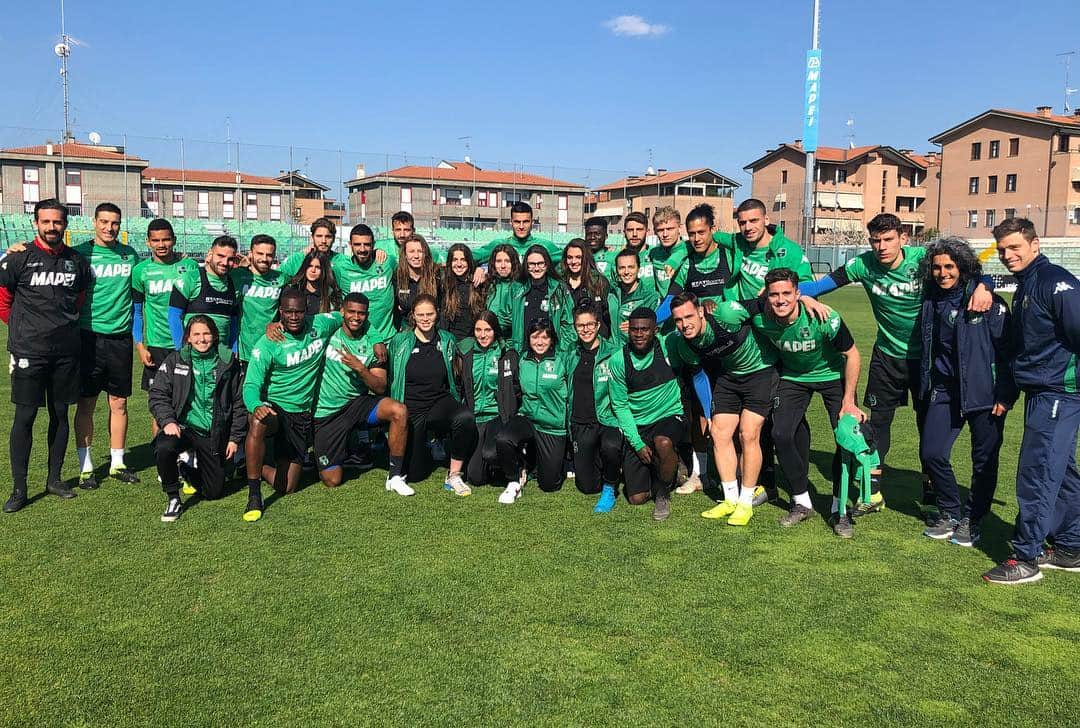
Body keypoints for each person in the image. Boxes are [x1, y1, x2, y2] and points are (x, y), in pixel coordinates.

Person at [800, 213, 993, 516]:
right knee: (878, 423)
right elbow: (823, 285)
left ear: (903, 238)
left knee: (927, 424)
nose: (881, 246)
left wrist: (986, 286)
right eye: (876, 240)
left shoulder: (923, 258)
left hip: (928, 359)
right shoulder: (862, 265)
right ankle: (873, 492)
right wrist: (797, 295)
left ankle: (932, 488)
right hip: (887, 355)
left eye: (888, 239)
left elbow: (971, 270)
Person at [983, 218, 1080, 584]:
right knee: (1062, 471)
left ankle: (1025, 558)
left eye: (1015, 247)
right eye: (1003, 249)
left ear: (1034, 244)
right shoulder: (1027, 285)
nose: (1008, 255)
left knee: (1038, 472)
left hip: (1059, 393)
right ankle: (1071, 546)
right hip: (1042, 392)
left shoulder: (1055, 282)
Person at [916, 237, 1016, 545]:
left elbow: (1009, 351)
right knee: (931, 452)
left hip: (984, 392)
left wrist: (1005, 394)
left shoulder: (986, 301)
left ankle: (974, 518)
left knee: (983, 460)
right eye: (936, 267)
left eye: (950, 266)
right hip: (944, 389)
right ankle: (949, 511)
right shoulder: (931, 299)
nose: (943, 273)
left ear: (963, 267)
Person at [752, 269, 865, 537]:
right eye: (774, 295)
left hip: (833, 377)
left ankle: (840, 509)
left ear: (798, 294)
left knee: (844, 440)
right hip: (793, 378)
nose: (780, 300)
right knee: (780, 433)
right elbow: (737, 308)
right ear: (767, 297)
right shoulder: (760, 317)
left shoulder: (825, 318)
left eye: (787, 294)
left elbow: (853, 355)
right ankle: (801, 501)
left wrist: (848, 400)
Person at [0, 199, 91, 512]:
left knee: (60, 414)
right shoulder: (18, 258)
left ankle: (54, 479)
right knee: (25, 416)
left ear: (65, 224)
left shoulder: (76, 261)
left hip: (66, 351)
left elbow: (77, 300)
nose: (52, 227)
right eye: (46, 222)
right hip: (28, 352)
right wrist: (25, 331)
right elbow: (3, 301)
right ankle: (19, 488)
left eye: (57, 222)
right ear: (35, 223)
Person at [666, 292, 778, 525]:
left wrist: (806, 298)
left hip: (761, 371)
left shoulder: (725, 313)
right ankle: (730, 499)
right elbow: (699, 378)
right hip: (730, 377)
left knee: (748, 433)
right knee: (718, 433)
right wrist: (708, 413)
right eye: (678, 320)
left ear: (700, 312)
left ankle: (745, 503)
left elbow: (767, 303)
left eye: (688, 316)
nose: (684, 324)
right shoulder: (684, 344)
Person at [241, 288, 343, 521]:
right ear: (280, 312)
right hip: (275, 409)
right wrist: (256, 405)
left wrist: (376, 339)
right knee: (257, 421)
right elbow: (251, 384)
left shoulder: (320, 325)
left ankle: (248, 462)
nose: (294, 317)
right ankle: (254, 494)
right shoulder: (268, 342)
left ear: (306, 310)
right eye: (288, 312)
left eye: (298, 311)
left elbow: (345, 313)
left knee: (287, 487)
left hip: (301, 415)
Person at [67, 203, 141, 487]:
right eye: (104, 222)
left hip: (120, 339)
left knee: (119, 403)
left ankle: (117, 463)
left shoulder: (129, 255)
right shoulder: (80, 254)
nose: (110, 228)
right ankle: (86, 468)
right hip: (88, 338)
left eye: (115, 223)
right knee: (87, 403)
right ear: (94, 222)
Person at [148, 316, 245, 522]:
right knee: (164, 447)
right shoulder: (176, 360)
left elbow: (239, 403)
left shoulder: (228, 362)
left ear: (214, 336)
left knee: (214, 491)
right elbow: (157, 394)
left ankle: (186, 469)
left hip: (213, 432)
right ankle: (173, 497)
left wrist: (234, 439)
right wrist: (168, 421)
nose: (202, 339)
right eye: (196, 334)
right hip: (183, 427)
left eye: (206, 334)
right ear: (188, 338)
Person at [312, 293, 411, 493]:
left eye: (361, 313)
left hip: (356, 404)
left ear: (367, 315)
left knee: (399, 411)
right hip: (327, 413)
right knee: (332, 480)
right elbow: (301, 323)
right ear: (342, 312)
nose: (356, 317)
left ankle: (395, 476)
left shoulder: (375, 344)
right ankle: (346, 447)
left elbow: (380, 387)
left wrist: (360, 368)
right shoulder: (329, 331)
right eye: (351, 312)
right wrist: (275, 326)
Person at [386, 294, 478, 492]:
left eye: (430, 314)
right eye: (421, 315)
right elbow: (392, 377)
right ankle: (427, 446)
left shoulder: (447, 339)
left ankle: (453, 474)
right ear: (413, 316)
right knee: (416, 474)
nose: (425, 319)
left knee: (465, 417)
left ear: (437, 314)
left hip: (439, 403)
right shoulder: (400, 341)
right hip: (412, 408)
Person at [607, 307, 686, 521]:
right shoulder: (618, 361)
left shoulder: (668, 346)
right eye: (634, 330)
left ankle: (663, 494)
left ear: (655, 330)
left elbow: (691, 331)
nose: (639, 334)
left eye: (644, 329)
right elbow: (621, 406)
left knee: (663, 442)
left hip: (668, 415)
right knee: (636, 498)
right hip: (640, 425)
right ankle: (670, 467)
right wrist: (638, 443)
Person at [493, 318, 572, 503]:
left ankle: (536, 462)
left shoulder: (562, 360)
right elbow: (517, 391)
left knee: (549, 485)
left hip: (552, 426)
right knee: (504, 438)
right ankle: (513, 481)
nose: (540, 341)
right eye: (535, 336)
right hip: (528, 418)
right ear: (528, 338)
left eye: (545, 337)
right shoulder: (523, 361)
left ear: (552, 339)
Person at [132, 219, 193, 436]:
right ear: (148, 242)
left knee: (189, 402)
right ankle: (163, 463)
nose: (161, 244)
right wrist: (140, 346)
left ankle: (185, 459)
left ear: (174, 240)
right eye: (156, 240)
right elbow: (137, 313)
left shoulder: (190, 267)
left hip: (187, 346)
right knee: (159, 407)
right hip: (156, 347)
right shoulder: (140, 271)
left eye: (166, 239)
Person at [565, 304, 624, 512]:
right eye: (580, 325)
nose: (586, 329)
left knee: (610, 446)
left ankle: (610, 487)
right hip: (581, 422)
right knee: (587, 487)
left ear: (598, 325)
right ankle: (607, 466)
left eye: (590, 324)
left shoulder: (614, 351)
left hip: (607, 418)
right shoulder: (570, 353)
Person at [455, 311, 519, 488]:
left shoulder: (506, 354)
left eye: (488, 330)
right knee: (475, 478)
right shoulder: (466, 354)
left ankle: (514, 463)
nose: (483, 335)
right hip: (475, 417)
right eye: (478, 330)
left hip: (496, 416)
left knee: (491, 453)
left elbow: (515, 388)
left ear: (495, 330)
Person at [169, 235, 240, 350]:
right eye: (220, 256)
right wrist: (181, 350)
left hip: (222, 357)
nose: (225, 262)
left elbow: (233, 323)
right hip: (194, 353)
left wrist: (234, 350)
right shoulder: (190, 278)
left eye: (230, 259)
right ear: (210, 254)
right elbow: (174, 317)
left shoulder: (234, 284)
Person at [330, 224, 397, 343]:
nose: (362, 249)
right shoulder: (341, 269)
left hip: (387, 338)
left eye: (367, 244)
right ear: (350, 245)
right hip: (357, 341)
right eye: (357, 244)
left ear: (373, 245)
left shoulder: (387, 262)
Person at [231, 234, 286, 370]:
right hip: (244, 352)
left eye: (269, 255)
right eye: (260, 253)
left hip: (272, 347)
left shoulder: (281, 279)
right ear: (251, 253)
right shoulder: (237, 276)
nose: (264, 259)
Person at [510, 245, 574, 351]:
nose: (536, 268)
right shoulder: (517, 289)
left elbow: (568, 324)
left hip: (552, 355)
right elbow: (507, 322)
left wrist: (562, 351)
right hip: (523, 354)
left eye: (540, 263)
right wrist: (512, 350)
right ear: (526, 265)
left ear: (547, 264)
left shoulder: (559, 289)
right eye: (532, 264)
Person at [472, 201, 563, 263]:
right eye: (517, 222)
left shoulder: (546, 246)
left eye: (526, 222)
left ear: (532, 222)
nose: (521, 226)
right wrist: (481, 268)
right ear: (511, 222)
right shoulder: (499, 245)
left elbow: (570, 258)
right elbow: (468, 257)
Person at [606, 249, 660, 345]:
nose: (626, 272)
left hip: (636, 354)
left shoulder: (650, 297)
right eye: (622, 268)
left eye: (631, 267)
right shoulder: (610, 292)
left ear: (638, 268)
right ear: (617, 270)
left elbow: (656, 329)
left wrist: (638, 326)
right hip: (614, 352)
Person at [561, 238, 611, 335]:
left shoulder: (599, 282)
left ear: (586, 258)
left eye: (578, 257)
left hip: (596, 341)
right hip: (568, 342)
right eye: (570, 257)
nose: (573, 261)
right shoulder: (560, 284)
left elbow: (607, 315)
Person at [603, 212, 655, 297]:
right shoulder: (615, 258)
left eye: (639, 229)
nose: (634, 234)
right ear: (624, 232)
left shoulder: (655, 254)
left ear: (647, 231)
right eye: (630, 230)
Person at [393, 233, 440, 329]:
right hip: (407, 330)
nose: (416, 256)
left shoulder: (437, 275)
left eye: (420, 251)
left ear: (425, 254)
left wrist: (480, 269)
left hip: (432, 331)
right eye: (411, 251)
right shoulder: (398, 277)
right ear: (405, 255)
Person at [440, 243, 484, 342]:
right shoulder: (443, 283)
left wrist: (481, 269)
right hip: (449, 340)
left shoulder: (477, 284)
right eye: (455, 260)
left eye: (463, 260)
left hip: (472, 342)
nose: (459, 264)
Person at [649, 206, 689, 299]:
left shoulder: (690, 249)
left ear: (680, 228)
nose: (665, 234)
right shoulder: (653, 253)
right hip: (662, 307)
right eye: (660, 230)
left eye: (670, 229)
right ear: (654, 231)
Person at [287, 252, 342, 317]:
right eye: (310, 266)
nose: (313, 270)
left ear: (324, 270)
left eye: (318, 267)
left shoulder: (331, 293)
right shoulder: (293, 289)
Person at [484, 244, 521, 334]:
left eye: (507, 261)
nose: (503, 266)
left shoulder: (521, 287)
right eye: (499, 261)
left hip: (511, 342)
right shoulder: (488, 284)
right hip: (488, 339)